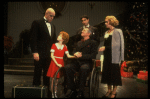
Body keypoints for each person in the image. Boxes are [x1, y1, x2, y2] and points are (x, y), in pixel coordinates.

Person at [65, 28, 98, 98]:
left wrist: (81, 56)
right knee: (67, 67)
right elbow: (74, 51)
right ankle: (72, 88)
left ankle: (81, 90)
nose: (82, 31)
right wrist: (75, 53)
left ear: (89, 34)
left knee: (84, 68)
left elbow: (93, 55)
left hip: (86, 62)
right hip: (77, 62)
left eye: (84, 31)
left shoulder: (93, 42)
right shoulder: (79, 42)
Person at [30, 8, 56, 94]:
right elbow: (33, 38)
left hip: (48, 54)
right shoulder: (37, 22)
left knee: (47, 73)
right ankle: (36, 90)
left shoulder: (53, 26)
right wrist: (34, 52)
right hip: (39, 53)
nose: (52, 18)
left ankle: (46, 90)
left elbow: (53, 41)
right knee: (37, 72)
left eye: (53, 17)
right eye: (51, 16)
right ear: (47, 14)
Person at [99, 15, 124, 98]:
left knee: (114, 74)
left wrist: (106, 47)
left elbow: (118, 45)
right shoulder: (106, 32)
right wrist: (104, 48)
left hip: (114, 56)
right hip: (107, 55)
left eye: (106, 21)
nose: (105, 23)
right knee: (107, 73)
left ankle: (114, 91)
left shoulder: (118, 31)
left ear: (111, 22)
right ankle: (109, 90)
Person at [46, 31, 75, 98]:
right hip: (54, 62)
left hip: (60, 62)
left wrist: (75, 56)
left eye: (60, 36)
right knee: (53, 79)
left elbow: (68, 56)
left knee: (57, 80)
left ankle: (55, 92)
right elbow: (52, 56)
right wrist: (57, 63)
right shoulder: (54, 45)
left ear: (63, 39)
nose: (58, 36)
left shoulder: (64, 46)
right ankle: (52, 94)